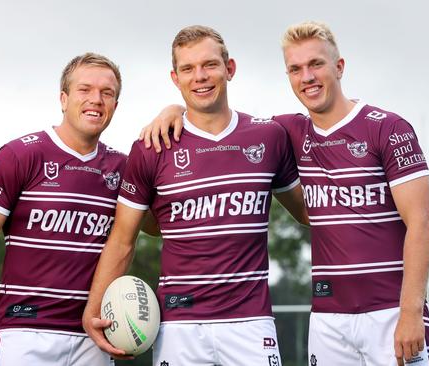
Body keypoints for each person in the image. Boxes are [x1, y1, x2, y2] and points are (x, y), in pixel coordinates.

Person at [141, 21, 429, 366]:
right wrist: (173, 109)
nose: (307, 77)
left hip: (392, 311)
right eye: (296, 69)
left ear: (339, 67)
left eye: (316, 64)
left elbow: (423, 222)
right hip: (328, 319)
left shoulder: (387, 127)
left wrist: (411, 312)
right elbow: (219, 121)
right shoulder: (286, 131)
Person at [82, 25, 307, 366]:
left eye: (209, 65)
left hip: (250, 323)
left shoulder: (269, 137)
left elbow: (309, 213)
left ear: (229, 69)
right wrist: (93, 307)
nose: (199, 77)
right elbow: (122, 239)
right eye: (188, 69)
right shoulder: (151, 147)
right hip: (178, 327)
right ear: (175, 78)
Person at [0, 52, 139, 366]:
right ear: (63, 99)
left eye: (107, 93)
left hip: (93, 337)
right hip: (24, 332)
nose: (96, 99)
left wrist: (175, 112)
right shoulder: (21, 155)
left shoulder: (123, 168)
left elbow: (150, 228)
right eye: (85, 90)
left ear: (115, 107)